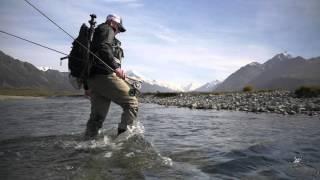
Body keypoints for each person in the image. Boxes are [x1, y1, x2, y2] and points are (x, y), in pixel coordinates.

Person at [84, 14, 138, 139]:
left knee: (97, 117)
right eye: (119, 28)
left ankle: (87, 143)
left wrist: (87, 86)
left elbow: (88, 61)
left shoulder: (97, 33)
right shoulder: (107, 29)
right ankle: (122, 139)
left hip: (94, 80)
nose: (118, 32)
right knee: (132, 103)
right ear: (113, 23)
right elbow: (104, 48)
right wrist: (116, 68)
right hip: (105, 76)